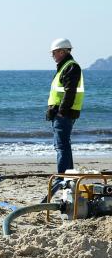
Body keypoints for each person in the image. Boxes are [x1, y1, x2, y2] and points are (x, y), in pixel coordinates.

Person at [46, 38, 84, 174]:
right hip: (62, 113)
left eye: (54, 52)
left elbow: (70, 91)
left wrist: (61, 111)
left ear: (62, 51)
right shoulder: (65, 66)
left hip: (64, 114)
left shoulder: (70, 66)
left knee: (62, 147)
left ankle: (62, 177)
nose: (53, 56)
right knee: (64, 146)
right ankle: (68, 176)